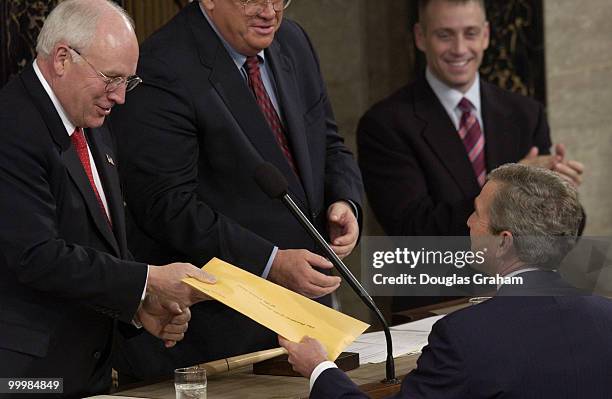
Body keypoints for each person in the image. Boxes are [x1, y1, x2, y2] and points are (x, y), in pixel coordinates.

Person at [109, 0, 363, 379]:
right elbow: (166, 205)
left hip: (308, 327)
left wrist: (345, 201)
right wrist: (271, 262)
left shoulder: (293, 41)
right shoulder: (162, 65)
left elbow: (326, 140)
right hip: (219, 339)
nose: (270, 12)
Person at [0, 1, 215, 397]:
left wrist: (136, 307)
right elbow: (36, 255)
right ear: (62, 58)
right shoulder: (12, 126)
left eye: (128, 82)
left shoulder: (91, 119)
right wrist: (148, 282)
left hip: (90, 368)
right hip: (27, 377)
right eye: (112, 78)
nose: (120, 97)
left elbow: (102, 243)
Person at [280, 163, 612, 399]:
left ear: (504, 241)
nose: (468, 222)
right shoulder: (606, 317)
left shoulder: (466, 337)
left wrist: (320, 369)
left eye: (478, 214)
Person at [357, 0, 585, 237]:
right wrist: (514, 187)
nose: (459, 48)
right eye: (444, 35)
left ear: (485, 35)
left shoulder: (526, 114)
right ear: (420, 37)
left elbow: (560, 235)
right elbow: (413, 230)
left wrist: (559, 195)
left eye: (471, 33)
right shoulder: (384, 124)